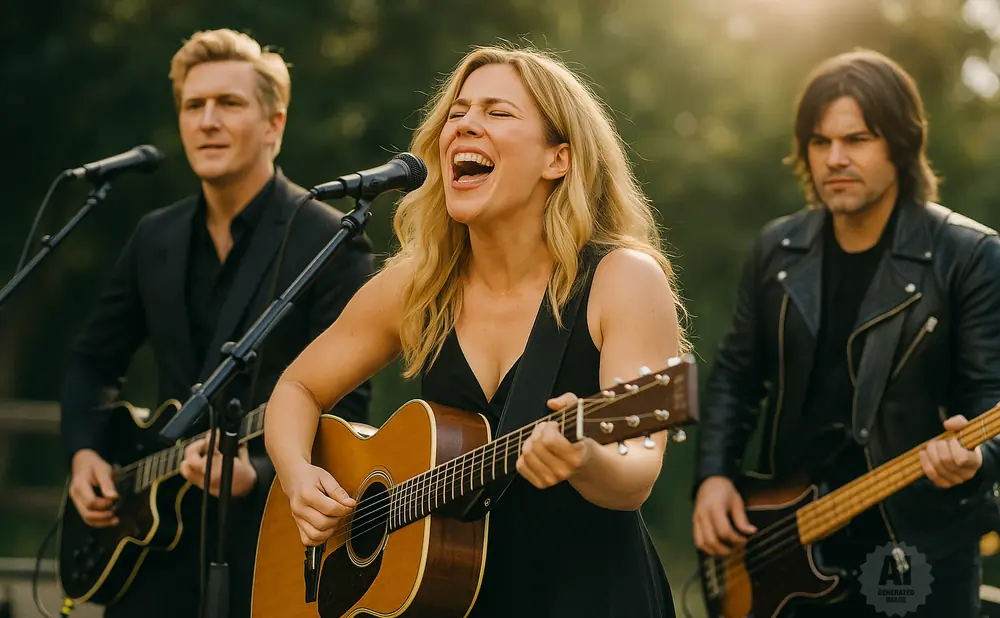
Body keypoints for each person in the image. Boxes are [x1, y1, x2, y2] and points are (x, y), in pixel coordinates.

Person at [262, 45, 685, 617]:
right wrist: (297, 477)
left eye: (498, 112)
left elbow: (635, 475)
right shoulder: (419, 285)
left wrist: (585, 457)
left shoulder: (623, 280)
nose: (464, 125)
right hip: (451, 601)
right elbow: (296, 389)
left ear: (558, 159)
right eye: (457, 112)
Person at [59, 28, 373, 618]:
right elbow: (92, 361)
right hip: (148, 550)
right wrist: (84, 452)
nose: (207, 121)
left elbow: (346, 409)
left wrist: (259, 472)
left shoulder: (330, 238)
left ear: (274, 125)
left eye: (229, 103)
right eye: (193, 105)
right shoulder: (154, 235)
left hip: (263, 542)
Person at [692, 49, 1000, 617]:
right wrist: (714, 477)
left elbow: (991, 398)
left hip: (918, 548)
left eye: (857, 139)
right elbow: (736, 376)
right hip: (790, 541)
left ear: (900, 144)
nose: (834, 158)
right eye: (820, 141)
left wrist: (978, 460)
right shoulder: (777, 249)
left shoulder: (970, 256)